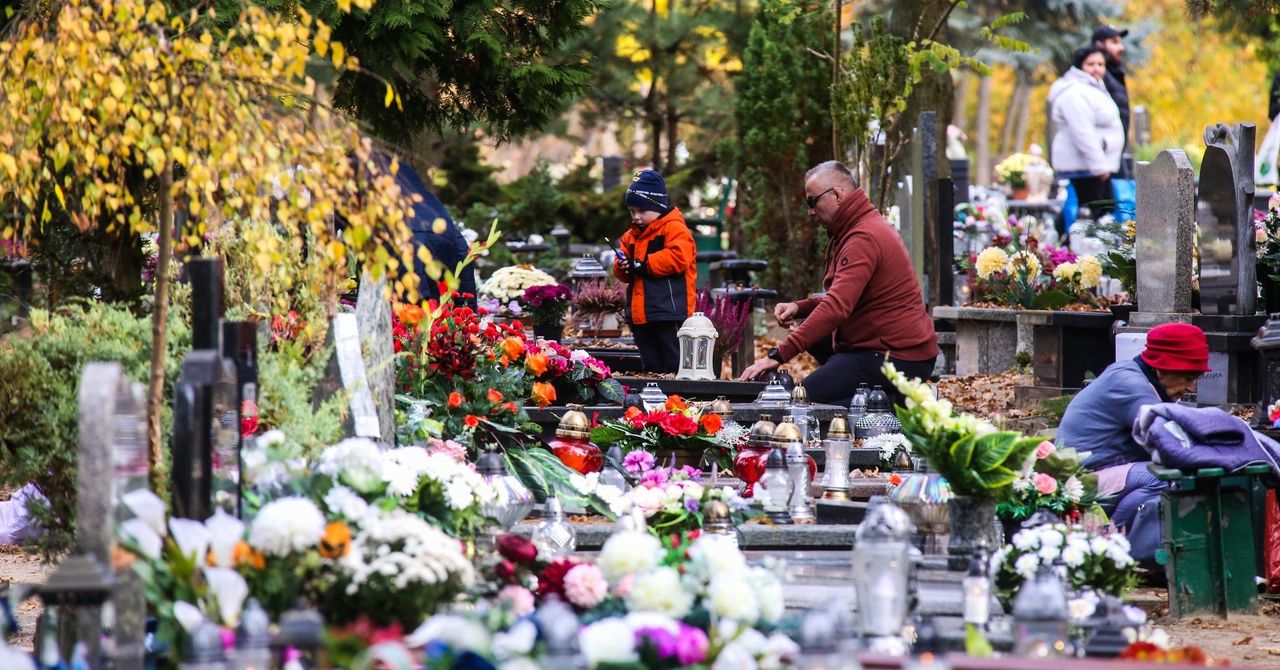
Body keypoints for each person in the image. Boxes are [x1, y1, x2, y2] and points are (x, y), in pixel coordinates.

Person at [736, 161, 937, 406]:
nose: (810, 211)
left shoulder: (864, 237)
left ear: (837, 195)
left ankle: (900, 403)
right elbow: (844, 296)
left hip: (897, 357)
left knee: (801, 402)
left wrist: (778, 356)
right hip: (880, 346)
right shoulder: (858, 227)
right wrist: (801, 307)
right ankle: (873, 396)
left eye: (812, 201)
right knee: (817, 336)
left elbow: (836, 307)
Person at [1056, 323, 1210, 564]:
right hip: (1080, 483)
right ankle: (1108, 543)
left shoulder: (1141, 379)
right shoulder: (1130, 385)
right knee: (1166, 476)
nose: (1192, 387)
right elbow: (1167, 440)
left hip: (1108, 474)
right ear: (1161, 369)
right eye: (1188, 377)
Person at [613, 169, 697, 373]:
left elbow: (679, 258)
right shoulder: (630, 236)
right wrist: (623, 265)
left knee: (674, 361)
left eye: (642, 211)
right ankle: (655, 397)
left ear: (658, 206)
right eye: (632, 211)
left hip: (670, 312)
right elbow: (622, 270)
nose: (636, 217)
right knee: (650, 363)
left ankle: (678, 398)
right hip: (640, 314)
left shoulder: (674, 228)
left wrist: (642, 264)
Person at [1048, 46, 1123, 219]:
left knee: (1102, 213)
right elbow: (1082, 132)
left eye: (1101, 64)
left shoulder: (1094, 88)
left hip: (1094, 167)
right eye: (1091, 64)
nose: (1097, 68)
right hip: (1087, 168)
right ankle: (1067, 244)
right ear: (1080, 66)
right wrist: (1099, 166)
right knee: (1092, 215)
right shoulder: (1075, 92)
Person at [1092, 24, 1131, 178]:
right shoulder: (1098, 76)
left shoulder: (1114, 73)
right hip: (1103, 160)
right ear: (1099, 45)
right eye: (1114, 42)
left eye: (1120, 42)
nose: (1121, 47)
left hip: (1115, 156)